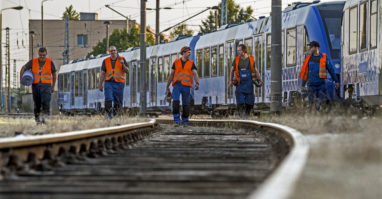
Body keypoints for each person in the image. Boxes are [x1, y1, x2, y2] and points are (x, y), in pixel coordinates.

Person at [19, 47, 57, 124]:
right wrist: (21, 79)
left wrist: (53, 86)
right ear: (38, 54)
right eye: (40, 55)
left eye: (43, 55)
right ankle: (37, 119)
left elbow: (54, 74)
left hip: (46, 86)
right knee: (37, 103)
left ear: (46, 54)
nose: (42, 57)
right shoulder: (33, 62)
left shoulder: (50, 62)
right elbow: (23, 68)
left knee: (46, 102)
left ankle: (45, 119)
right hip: (35, 85)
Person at [299, 41, 340, 107]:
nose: (309, 48)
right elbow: (305, 72)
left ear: (316, 48)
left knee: (322, 102)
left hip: (321, 85)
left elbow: (331, 70)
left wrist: (336, 81)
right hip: (311, 85)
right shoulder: (308, 59)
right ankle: (312, 115)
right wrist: (303, 84)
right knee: (311, 104)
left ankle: (321, 115)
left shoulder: (324, 57)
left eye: (311, 47)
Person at [166, 46, 200, 126]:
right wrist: (167, 85)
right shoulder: (176, 62)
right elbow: (172, 74)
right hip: (177, 85)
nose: (189, 54)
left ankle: (185, 121)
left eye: (190, 53)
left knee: (186, 104)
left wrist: (197, 83)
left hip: (186, 86)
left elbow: (195, 73)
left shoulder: (191, 63)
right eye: (188, 52)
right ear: (183, 53)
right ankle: (176, 120)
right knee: (175, 102)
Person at [229, 44, 263, 118]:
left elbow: (256, 70)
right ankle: (242, 116)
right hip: (239, 84)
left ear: (244, 50)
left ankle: (247, 115)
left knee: (250, 102)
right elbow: (232, 71)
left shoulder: (251, 59)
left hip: (249, 84)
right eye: (237, 50)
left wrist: (260, 80)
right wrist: (230, 81)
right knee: (240, 101)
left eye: (239, 50)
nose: (238, 52)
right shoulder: (236, 60)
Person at [99, 46, 129, 119]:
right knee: (108, 98)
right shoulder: (105, 61)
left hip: (119, 83)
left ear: (116, 51)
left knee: (118, 100)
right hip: (109, 82)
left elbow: (127, 71)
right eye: (111, 51)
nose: (113, 52)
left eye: (114, 50)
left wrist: (123, 64)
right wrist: (100, 84)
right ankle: (109, 116)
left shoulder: (122, 59)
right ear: (109, 52)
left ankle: (117, 116)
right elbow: (102, 73)